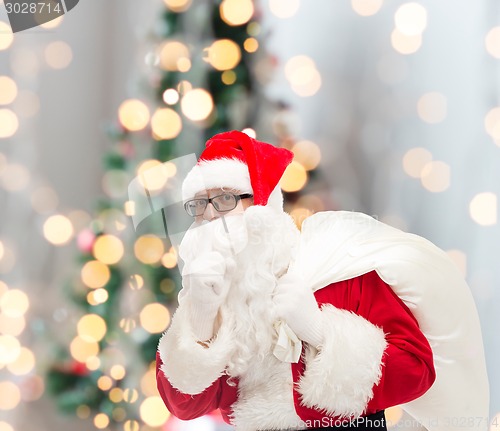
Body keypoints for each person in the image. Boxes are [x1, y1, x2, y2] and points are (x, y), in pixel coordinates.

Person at [155, 131, 488, 431]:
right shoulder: (214, 296)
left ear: (261, 207)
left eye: (226, 199)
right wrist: (198, 321)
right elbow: (185, 406)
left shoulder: (338, 270)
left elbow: (416, 372)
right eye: (200, 205)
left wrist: (320, 331)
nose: (210, 216)